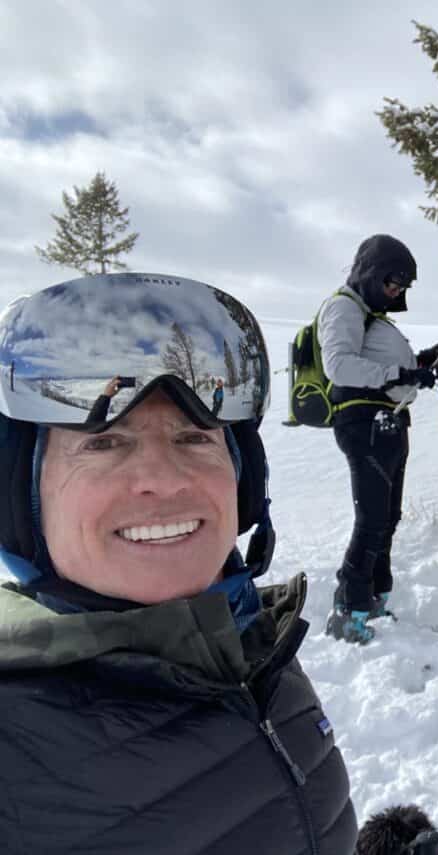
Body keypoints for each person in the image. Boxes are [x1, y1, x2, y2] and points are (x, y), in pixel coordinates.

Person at [0, 272, 358, 854]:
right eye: (103, 443)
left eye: (194, 438)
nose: (163, 480)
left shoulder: (253, 650)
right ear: (21, 497)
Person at [319, 234, 438, 645]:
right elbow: (339, 366)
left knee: (388, 518)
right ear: (371, 273)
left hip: (388, 421)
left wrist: (421, 362)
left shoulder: (371, 316)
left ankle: (374, 599)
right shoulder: (343, 308)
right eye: (391, 283)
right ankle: (348, 609)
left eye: (402, 287)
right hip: (363, 422)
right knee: (373, 518)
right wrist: (399, 375)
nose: (396, 292)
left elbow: (381, 365)